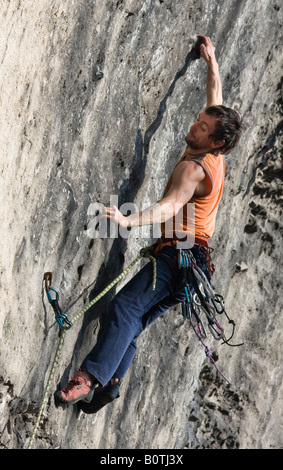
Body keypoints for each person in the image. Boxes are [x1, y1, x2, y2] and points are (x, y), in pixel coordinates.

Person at [54, 36, 242, 412]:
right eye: (200, 120)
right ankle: (112, 383)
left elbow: (169, 207)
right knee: (133, 320)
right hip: (191, 263)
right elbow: (215, 95)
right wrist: (211, 61)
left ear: (216, 142)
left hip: (180, 257)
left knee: (124, 308)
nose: (196, 125)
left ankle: (90, 378)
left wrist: (127, 219)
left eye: (203, 127)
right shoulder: (216, 151)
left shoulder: (195, 168)